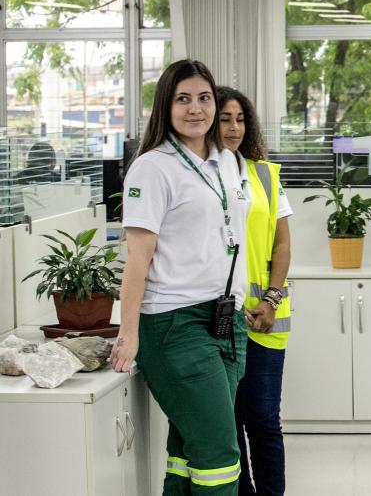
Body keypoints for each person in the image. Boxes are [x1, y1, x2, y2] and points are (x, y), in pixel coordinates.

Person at [108, 60, 250, 495]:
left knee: (189, 450)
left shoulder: (227, 161)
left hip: (226, 321)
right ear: (165, 107)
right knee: (220, 455)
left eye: (204, 98)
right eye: (183, 99)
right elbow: (138, 257)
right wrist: (127, 333)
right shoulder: (153, 167)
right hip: (175, 323)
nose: (196, 109)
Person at [217, 86, 293, 496]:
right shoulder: (199, 174)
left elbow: (282, 243)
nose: (233, 127)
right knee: (227, 422)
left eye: (240, 119)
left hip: (265, 316)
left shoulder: (263, 172)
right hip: (216, 320)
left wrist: (271, 299)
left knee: (263, 420)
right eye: (225, 118)